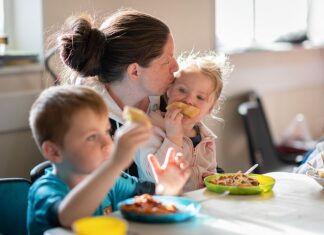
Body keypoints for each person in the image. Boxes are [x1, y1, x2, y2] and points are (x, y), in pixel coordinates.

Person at [27, 85, 190, 235]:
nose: (107, 143)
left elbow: (151, 202)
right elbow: (68, 218)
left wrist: (167, 188)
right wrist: (115, 162)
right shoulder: (45, 190)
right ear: (54, 151)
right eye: (91, 137)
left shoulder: (112, 181)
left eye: (107, 131)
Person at [56, 9, 179, 176]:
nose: (176, 67)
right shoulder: (88, 122)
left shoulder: (169, 97)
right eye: (167, 60)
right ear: (135, 71)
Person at [135, 51, 233, 191]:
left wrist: (217, 180)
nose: (189, 100)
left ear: (211, 108)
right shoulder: (149, 129)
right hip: (163, 206)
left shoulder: (207, 140)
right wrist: (173, 137)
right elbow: (155, 177)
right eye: (182, 90)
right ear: (168, 91)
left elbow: (211, 175)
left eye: (200, 97)